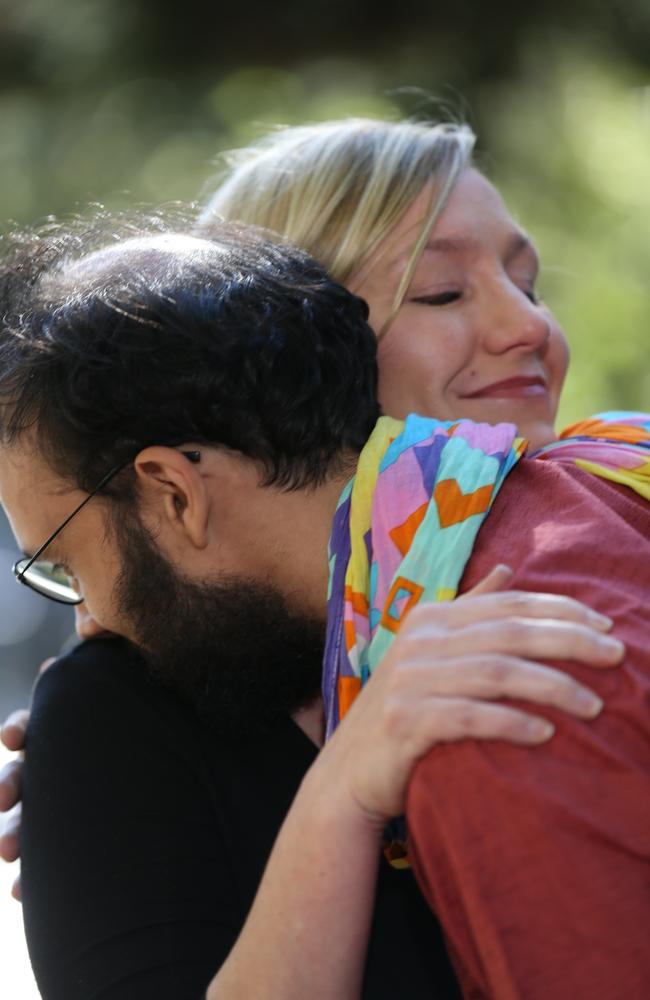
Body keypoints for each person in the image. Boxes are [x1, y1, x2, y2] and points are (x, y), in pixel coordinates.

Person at [0, 218, 647, 1000]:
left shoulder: (500, 690)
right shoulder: (589, 496)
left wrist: (342, 790)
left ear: (175, 493)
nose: (89, 615)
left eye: (68, 561)